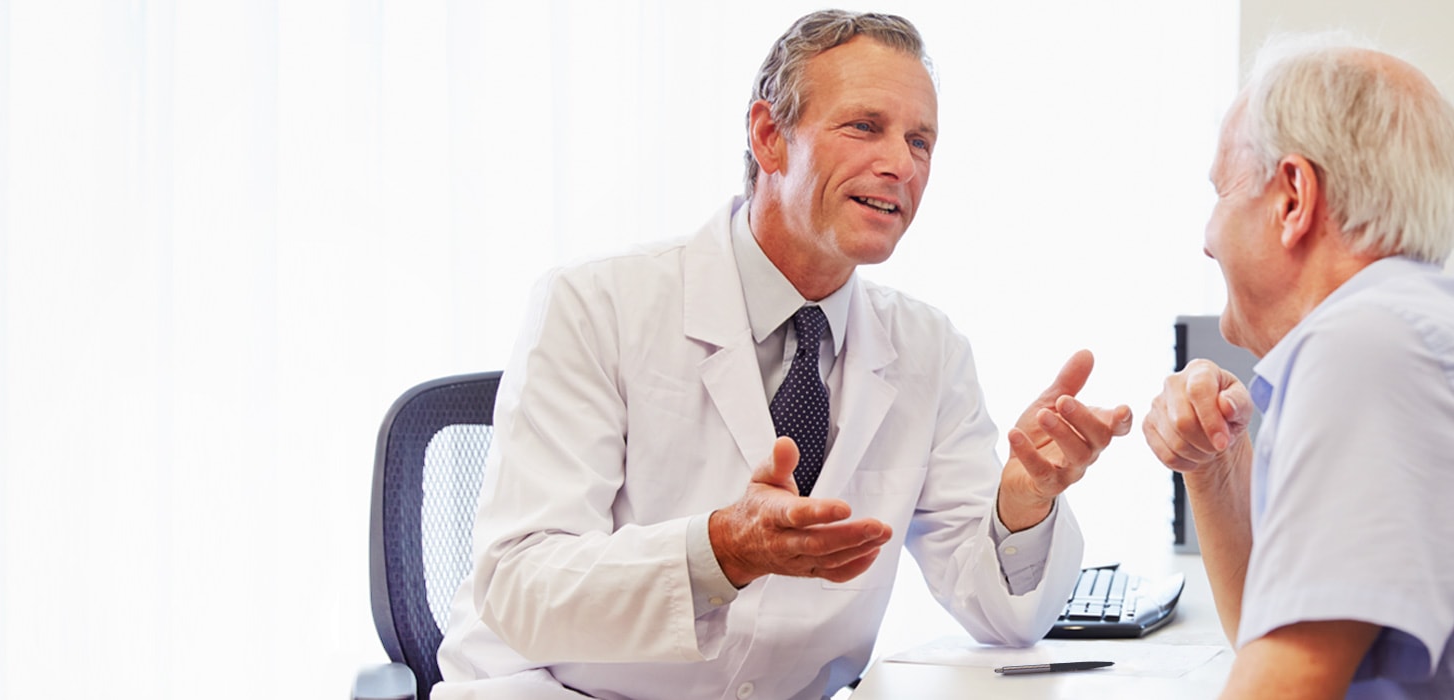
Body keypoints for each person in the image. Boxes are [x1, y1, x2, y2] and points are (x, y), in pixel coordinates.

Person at [433, 10, 1132, 699]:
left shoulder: (930, 350)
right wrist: (721, 551)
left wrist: (1023, 504)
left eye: (920, 141)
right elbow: (520, 585)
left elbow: (1006, 618)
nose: (900, 165)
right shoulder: (595, 304)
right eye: (865, 126)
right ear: (769, 137)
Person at [1142, 35, 1454, 699]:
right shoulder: (1402, 331)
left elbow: (1288, 685)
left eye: (1222, 192)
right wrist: (1215, 463)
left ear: (1292, 199)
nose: (1207, 239)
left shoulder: (1362, 348)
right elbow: (1272, 636)